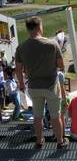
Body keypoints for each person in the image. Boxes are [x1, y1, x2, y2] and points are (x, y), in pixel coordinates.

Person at [15, 16, 69, 149]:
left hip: (33, 86)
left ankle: (39, 141)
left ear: (28, 29)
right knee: (55, 116)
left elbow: (18, 69)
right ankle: (60, 142)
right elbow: (61, 64)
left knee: (37, 116)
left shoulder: (21, 47)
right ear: (39, 27)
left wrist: (21, 84)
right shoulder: (52, 44)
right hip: (51, 86)